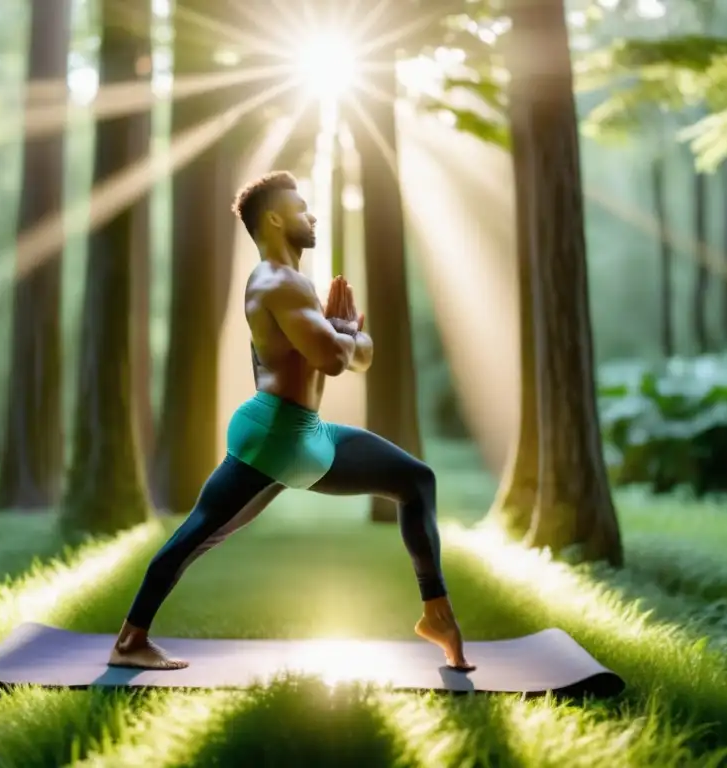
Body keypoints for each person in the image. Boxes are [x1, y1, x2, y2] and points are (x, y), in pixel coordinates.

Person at [108, 170, 474, 672]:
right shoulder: (280, 282)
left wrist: (343, 335)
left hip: (306, 434)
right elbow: (334, 358)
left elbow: (356, 356)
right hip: (277, 437)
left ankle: (437, 616)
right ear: (276, 219)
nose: (313, 215)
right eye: (302, 208)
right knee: (195, 536)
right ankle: (130, 643)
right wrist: (344, 333)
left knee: (416, 480)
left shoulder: (293, 284)